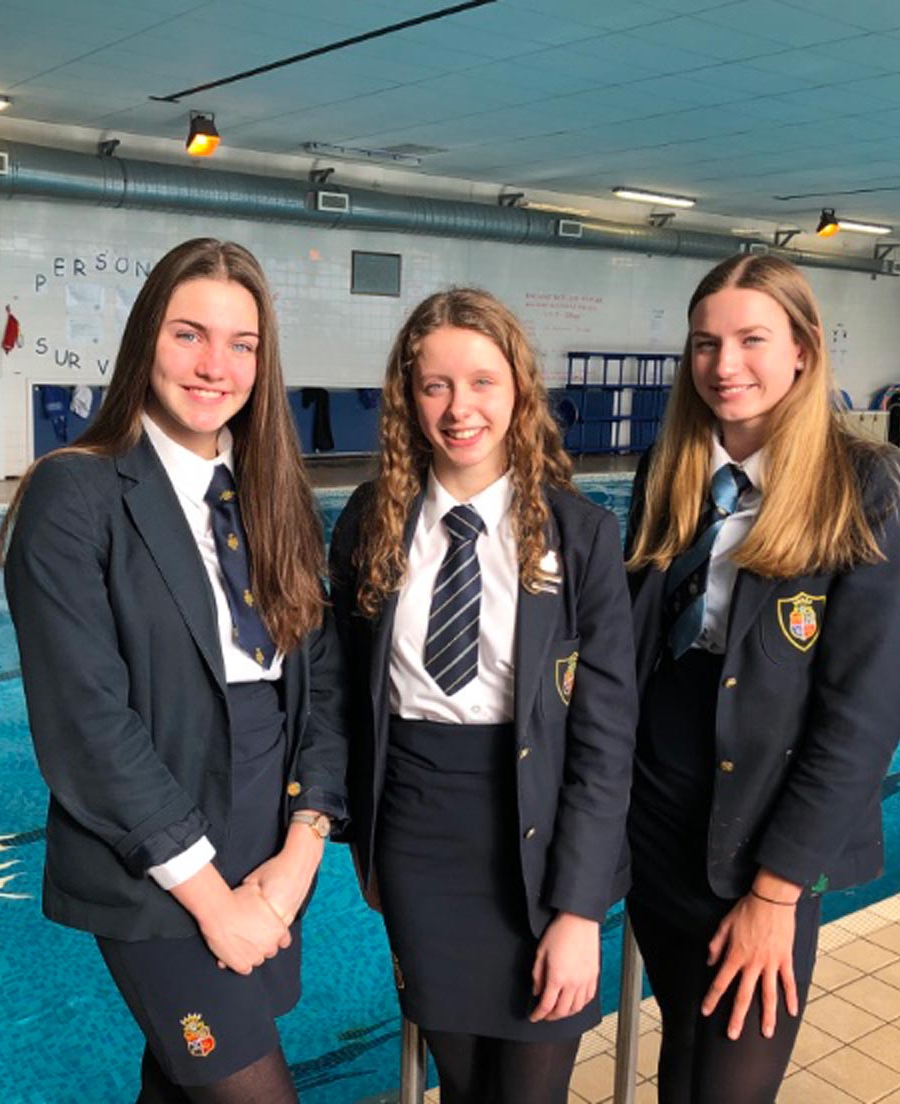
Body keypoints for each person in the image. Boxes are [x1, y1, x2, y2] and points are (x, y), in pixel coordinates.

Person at [0, 238, 347, 1104]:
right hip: (160, 874)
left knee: (181, 1081)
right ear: (145, 339)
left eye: (242, 344)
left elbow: (326, 687)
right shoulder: (75, 494)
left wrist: (303, 849)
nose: (215, 366)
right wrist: (213, 901)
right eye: (190, 334)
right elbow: (88, 724)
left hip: (268, 854)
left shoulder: (273, 493)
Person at [624, 254, 900, 1103]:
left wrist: (776, 893)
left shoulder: (869, 487)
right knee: (680, 1051)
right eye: (705, 344)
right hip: (658, 829)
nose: (726, 367)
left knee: (731, 1085)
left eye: (752, 340)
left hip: (760, 845)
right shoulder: (672, 471)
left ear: (803, 348)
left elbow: (861, 719)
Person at [329, 288, 636, 1104]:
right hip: (421, 837)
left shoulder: (582, 535)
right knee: (463, 1087)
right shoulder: (369, 522)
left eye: (482, 382)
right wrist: (359, 837)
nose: (460, 408)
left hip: (538, 844)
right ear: (407, 399)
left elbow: (606, 740)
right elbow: (347, 695)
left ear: (519, 392)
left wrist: (577, 913)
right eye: (435, 386)